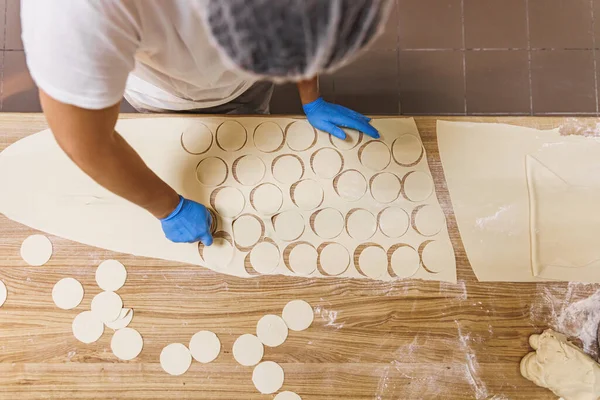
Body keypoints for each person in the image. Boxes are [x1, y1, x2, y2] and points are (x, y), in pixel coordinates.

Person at [21, 0, 391, 246]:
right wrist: (166, 207)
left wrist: (311, 95)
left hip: (243, 86)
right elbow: (85, 140)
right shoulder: (76, 12)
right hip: (165, 95)